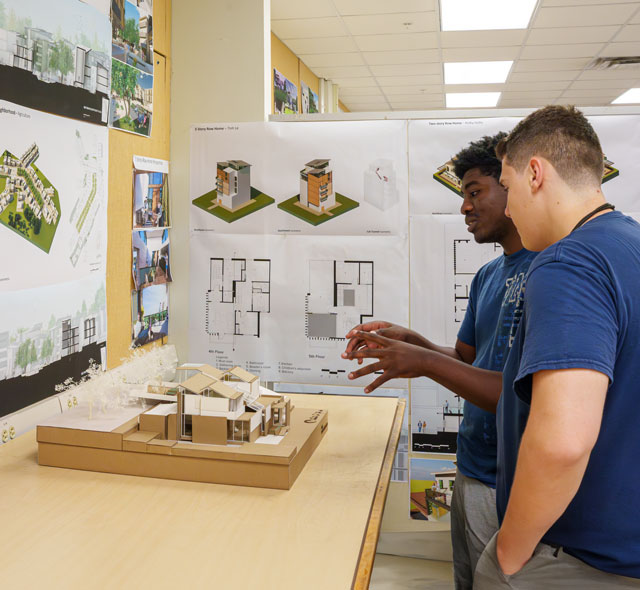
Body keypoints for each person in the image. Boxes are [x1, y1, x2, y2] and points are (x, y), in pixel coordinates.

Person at [342, 132, 537, 589]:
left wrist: (423, 362)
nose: (465, 207)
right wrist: (412, 341)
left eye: (474, 192)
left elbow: (514, 394)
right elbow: (468, 360)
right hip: (471, 469)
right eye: (462, 196)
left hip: (510, 483)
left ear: (512, 184)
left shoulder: (549, 271)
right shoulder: (490, 275)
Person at [473, 105, 640, 588]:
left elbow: (563, 441)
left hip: (574, 556)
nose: (507, 208)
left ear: (535, 173)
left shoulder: (569, 262)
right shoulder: (628, 244)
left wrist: (509, 551)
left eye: (509, 186)